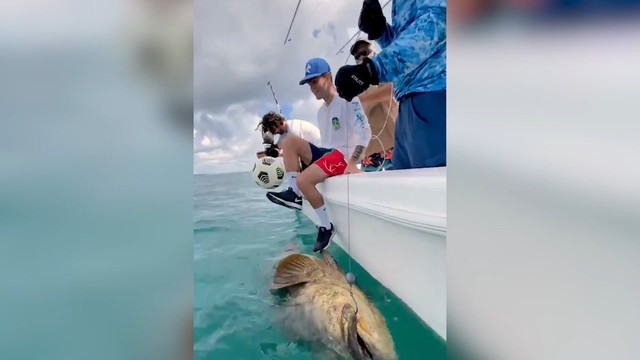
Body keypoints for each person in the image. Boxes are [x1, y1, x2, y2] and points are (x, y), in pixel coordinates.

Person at [266, 58, 372, 252]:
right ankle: (294, 194)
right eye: (309, 83)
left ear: (328, 77)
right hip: (329, 153)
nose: (311, 87)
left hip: (343, 155)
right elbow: (325, 145)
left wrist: (353, 162)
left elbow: (365, 132)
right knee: (288, 141)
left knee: (304, 180)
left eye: (314, 81)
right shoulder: (321, 112)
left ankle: (326, 227)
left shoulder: (348, 99)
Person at [334, 0, 446, 170]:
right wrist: (381, 32)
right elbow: (409, 40)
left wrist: (373, 70)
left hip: (434, 93)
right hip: (407, 103)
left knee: (437, 190)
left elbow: (435, 26)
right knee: (409, 189)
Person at [349, 38, 398, 171]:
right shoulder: (356, 85)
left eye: (365, 52)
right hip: (370, 153)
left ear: (375, 53)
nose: (361, 57)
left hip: (394, 147)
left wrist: (361, 99)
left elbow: (392, 89)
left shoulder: (388, 72)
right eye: (357, 56)